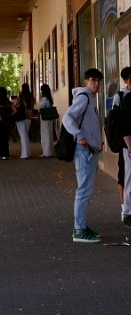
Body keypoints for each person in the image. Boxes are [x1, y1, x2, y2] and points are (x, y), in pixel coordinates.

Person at [63, 68, 103, 243]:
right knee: (84, 191)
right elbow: (67, 118)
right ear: (85, 81)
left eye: (98, 81)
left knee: (86, 190)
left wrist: (96, 142)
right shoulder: (84, 97)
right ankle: (79, 230)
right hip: (84, 152)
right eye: (92, 80)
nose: (96, 84)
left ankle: (82, 226)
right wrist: (80, 136)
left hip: (89, 151)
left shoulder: (90, 98)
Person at [117, 68, 131, 226]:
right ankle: (126, 211)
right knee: (126, 177)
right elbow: (124, 125)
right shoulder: (124, 98)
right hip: (127, 146)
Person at [15, 83, 34, 159]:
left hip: (21, 117)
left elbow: (16, 105)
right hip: (29, 117)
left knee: (23, 135)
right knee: (25, 134)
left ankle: (25, 154)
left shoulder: (21, 96)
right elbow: (32, 106)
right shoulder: (31, 97)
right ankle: (27, 153)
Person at [39, 84, 57, 158]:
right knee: (50, 133)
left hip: (44, 117)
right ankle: (50, 151)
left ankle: (46, 152)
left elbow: (40, 107)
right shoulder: (50, 98)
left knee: (45, 134)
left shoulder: (44, 99)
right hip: (50, 117)